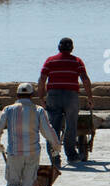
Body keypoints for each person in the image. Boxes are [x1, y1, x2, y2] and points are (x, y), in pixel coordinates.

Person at [0, 82, 59, 186]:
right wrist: (56, 146)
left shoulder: (8, 109)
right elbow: (48, 130)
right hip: (33, 153)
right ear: (32, 95)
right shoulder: (39, 110)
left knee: (12, 183)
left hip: (14, 153)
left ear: (17, 95)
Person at [37, 37, 94, 166]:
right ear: (72, 48)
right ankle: (71, 156)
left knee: (52, 128)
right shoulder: (77, 61)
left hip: (54, 96)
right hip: (71, 96)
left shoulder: (50, 61)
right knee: (71, 126)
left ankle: (54, 157)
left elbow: (42, 80)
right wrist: (90, 97)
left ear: (59, 47)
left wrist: (41, 97)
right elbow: (85, 79)